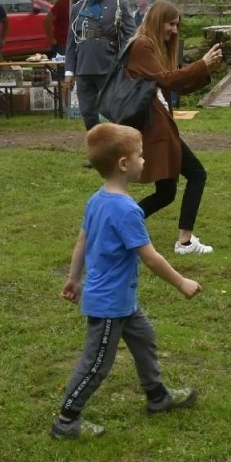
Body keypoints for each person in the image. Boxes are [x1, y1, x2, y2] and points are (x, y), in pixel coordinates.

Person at [51, 123, 202, 439]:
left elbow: (82, 242)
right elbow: (151, 257)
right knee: (96, 364)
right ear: (124, 164)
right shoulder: (126, 210)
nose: (144, 161)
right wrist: (181, 282)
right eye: (141, 156)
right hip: (109, 305)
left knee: (144, 338)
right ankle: (66, 420)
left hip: (122, 300)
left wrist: (72, 278)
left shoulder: (97, 200)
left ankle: (157, 395)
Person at [124, 0, 222, 254]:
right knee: (197, 174)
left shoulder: (154, 48)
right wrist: (200, 64)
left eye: (177, 25)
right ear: (158, 21)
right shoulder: (142, 45)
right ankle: (185, 241)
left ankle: (122, 225)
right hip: (155, 127)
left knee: (166, 192)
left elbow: (173, 85)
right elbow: (167, 79)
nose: (175, 30)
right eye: (171, 24)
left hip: (159, 124)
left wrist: (205, 71)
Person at [65, 0, 135, 129]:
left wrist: (122, 60)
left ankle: (122, 145)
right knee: (88, 113)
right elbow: (71, 41)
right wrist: (69, 71)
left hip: (109, 67)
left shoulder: (118, 4)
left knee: (114, 111)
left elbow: (130, 35)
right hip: (84, 69)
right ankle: (97, 149)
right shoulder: (78, 7)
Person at [47, 0, 84, 115]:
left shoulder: (80, 5)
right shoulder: (63, 3)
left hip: (77, 44)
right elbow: (47, 20)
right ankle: (63, 105)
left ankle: (70, 104)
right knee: (65, 76)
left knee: (75, 76)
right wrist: (51, 38)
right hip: (62, 46)